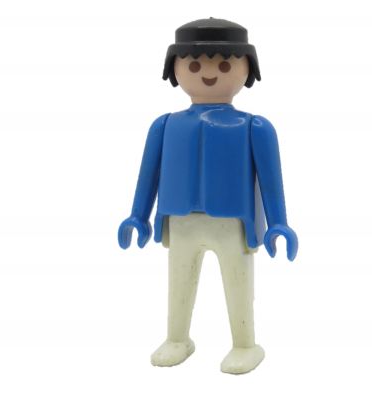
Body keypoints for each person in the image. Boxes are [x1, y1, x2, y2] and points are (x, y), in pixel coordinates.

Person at [118, 18, 298, 374]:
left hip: (233, 222)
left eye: (225, 66)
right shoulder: (164, 125)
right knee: (178, 283)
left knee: (237, 282)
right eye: (195, 65)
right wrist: (138, 215)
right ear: (175, 69)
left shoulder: (254, 126)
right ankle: (177, 338)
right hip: (179, 220)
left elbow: (271, 180)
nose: (210, 74)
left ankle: (245, 344)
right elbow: (148, 173)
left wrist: (279, 223)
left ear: (247, 69)